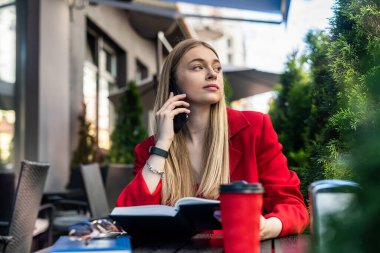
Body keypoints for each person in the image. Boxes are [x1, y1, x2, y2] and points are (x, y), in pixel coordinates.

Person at [116, 39, 309, 240]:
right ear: (173, 81)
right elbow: (131, 216)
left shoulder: (254, 129)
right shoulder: (149, 149)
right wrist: (163, 143)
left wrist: (266, 227)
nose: (212, 73)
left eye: (217, 67)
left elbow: (293, 206)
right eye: (198, 67)